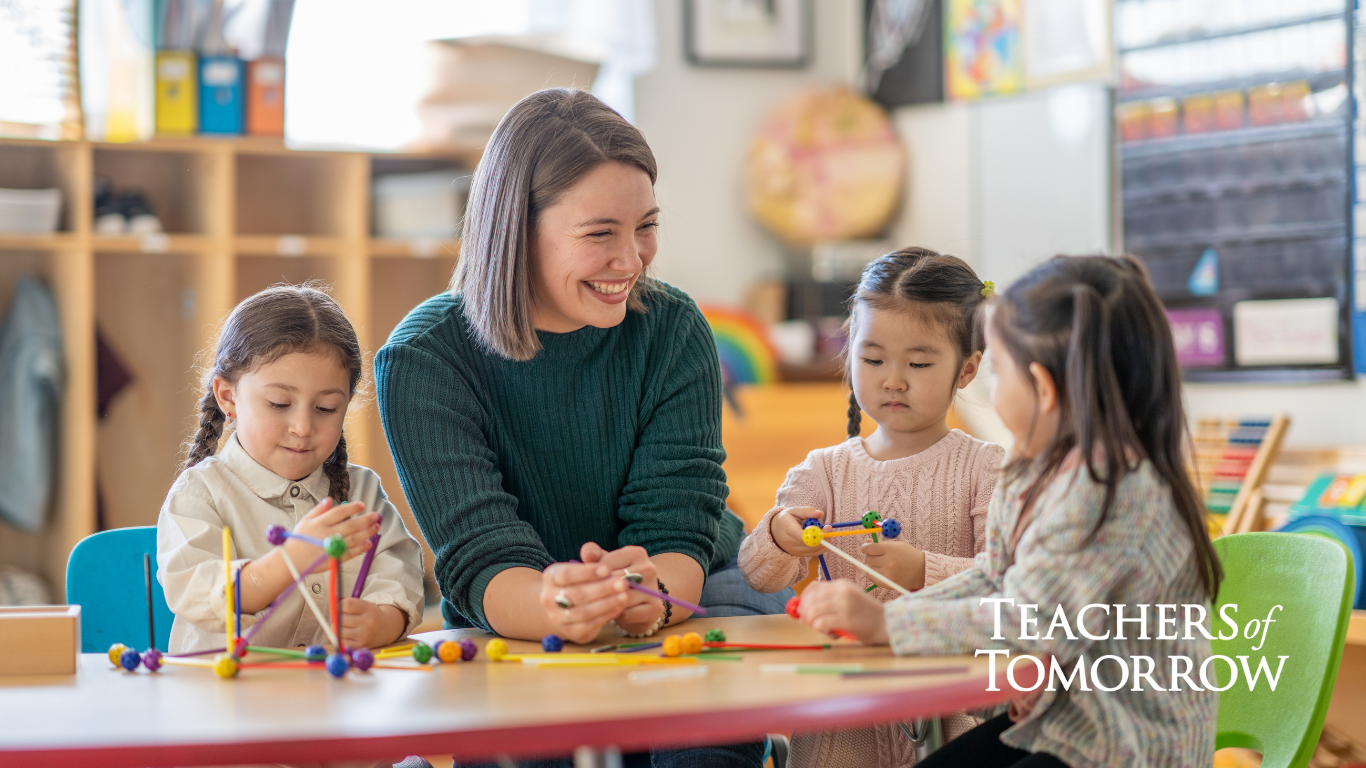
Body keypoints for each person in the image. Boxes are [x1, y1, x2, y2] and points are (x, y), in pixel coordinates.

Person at [375, 88, 786, 768]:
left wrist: (647, 599)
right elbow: (481, 558)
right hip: (520, 623)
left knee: (700, 758)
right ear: (516, 228)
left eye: (646, 226)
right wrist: (561, 606)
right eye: (601, 234)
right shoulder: (426, 359)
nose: (632, 260)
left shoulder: (672, 329)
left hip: (694, 592)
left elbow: (679, 531)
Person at [794, 255, 1222, 768]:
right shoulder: (1032, 470)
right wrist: (888, 616)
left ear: (1041, 387)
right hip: (1068, 722)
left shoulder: (1114, 490)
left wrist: (890, 628)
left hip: (1130, 746)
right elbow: (996, 579)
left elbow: (1032, 619)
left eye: (998, 369)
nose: (991, 387)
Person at [738, 247, 1005, 766]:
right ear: (850, 353)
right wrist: (779, 535)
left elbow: (1010, 583)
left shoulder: (985, 468)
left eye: (920, 363)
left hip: (950, 721)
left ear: (967, 369)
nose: (893, 379)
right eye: (873, 358)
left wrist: (923, 569)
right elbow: (758, 575)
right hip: (842, 726)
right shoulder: (824, 470)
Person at [157, 284, 424, 655]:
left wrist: (383, 621)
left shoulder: (361, 493)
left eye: (327, 408)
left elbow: (400, 573)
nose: (302, 427)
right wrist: (291, 559)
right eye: (279, 403)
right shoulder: (199, 493)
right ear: (228, 397)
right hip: (223, 700)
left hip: (331, 697)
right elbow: (198, 592)